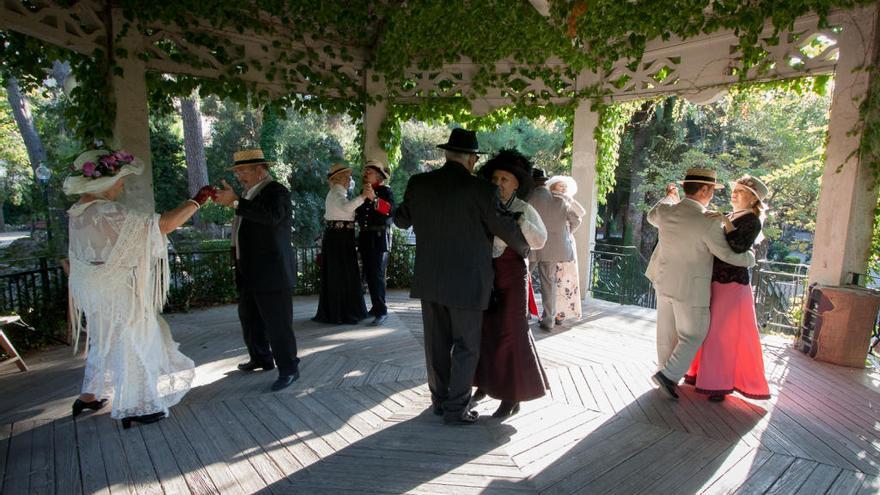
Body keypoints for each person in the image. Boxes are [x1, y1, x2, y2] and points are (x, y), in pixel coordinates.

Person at [65, 148, 210, 428]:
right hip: (114, 287)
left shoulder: (77, 211)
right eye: (119, 179)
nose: (122, 185)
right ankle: (137, 405)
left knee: (102, 337)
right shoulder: (106, 210)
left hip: (91, 287)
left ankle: (88, 394)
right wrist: (196, 201)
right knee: (132, 337)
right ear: (103, 182)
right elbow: (162, 225)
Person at [394, 128, 530, 425]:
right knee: (467, 346)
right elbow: (505, 228)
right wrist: (525, 248)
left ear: (447, 154)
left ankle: (440, 402)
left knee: (436, 345)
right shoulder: (481, 190)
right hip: (469, 282)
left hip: (430, 280)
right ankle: (456, 409)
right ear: (471, 159)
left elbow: (401, 220)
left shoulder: (419, 183)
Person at [645, 167, 756, 400]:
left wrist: (669, 197)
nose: (713, 194)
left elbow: (651, 215)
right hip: (691, 288)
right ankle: (669, 375)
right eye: (713, 190)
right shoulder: (707, 222)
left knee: (666, 333)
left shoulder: (666, 211)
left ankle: (665, 375)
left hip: (664, 281)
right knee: (694, 334)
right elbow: (726, 254)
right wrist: (749, 258)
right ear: (704, 189)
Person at [214, 149, 300, 392]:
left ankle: (290, 369)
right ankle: (261, 357)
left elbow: (272, 218)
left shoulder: (277, 191)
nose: (239, 175)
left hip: (272, 272)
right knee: (249, 318)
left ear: (260, 169)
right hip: (249, 270)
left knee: (278, 324)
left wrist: (235, 202)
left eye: (243, 170)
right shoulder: (248, 192)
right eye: (237, 171)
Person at [472, 149, 549, 418]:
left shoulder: (524, 209)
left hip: (513, 277)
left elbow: (539, 241)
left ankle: (512, 395)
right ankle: (484, 383)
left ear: (517, 184)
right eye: (496, 178)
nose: (499, 184)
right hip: (486, 276)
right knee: (485, 331)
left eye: (505, 179)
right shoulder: (484, 205)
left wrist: (521, 222)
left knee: (510, 333)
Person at [684, 175, 772, 402]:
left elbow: (737, 246)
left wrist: (724, 222)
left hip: (732, 283)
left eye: (741, 191)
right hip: (715, 278)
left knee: (721, 333)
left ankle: (718, 384)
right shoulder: (731, 215)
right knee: (708, 329)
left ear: (753, 199)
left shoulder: (752, 220)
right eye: (735, 189)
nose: (735, 193)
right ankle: (699, 374)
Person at [312, 163, 374, 324]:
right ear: (340, 179)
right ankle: (342, 312)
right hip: (339, 238)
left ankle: (340, 310)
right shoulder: (336, 193)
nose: (349, 180)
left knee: (340, 274)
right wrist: (363, 197)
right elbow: (347, 208)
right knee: (342, 274)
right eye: (347, 177)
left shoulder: (336, 193)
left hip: (339, 237)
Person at [529, 170, 581, 331]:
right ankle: (549, 320)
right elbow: (577, 220)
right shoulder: (560, 200)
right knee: (549, 283)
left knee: (524, 279)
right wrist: (565, 233)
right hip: (553, 247)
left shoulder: (527, 198)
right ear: (545, 182)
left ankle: (522, 315)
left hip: (531, 245)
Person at [355, 160, 395, 326]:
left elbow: (390, 212)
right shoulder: (363, 191)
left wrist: (374, 199)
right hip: (365, 237)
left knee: (376, 275)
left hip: (378, 238)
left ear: (378, 175)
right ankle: (375, 306)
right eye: (365, 172)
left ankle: (381, 310)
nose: (365, 175)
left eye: (369, 172)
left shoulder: (385, 191)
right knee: (369, 275)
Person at [545, 175, 586, 324]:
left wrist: (570, 199)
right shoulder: (552, 201)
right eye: (559, 186)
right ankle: (553, 313)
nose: (562, 188)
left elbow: (580, 214)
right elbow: (577, 218)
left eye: (564, 186)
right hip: (555, 242)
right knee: (555, 279)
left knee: (563, 278)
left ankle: (559, 314)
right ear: (552, 186)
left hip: (563, 242)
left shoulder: (565, 201)